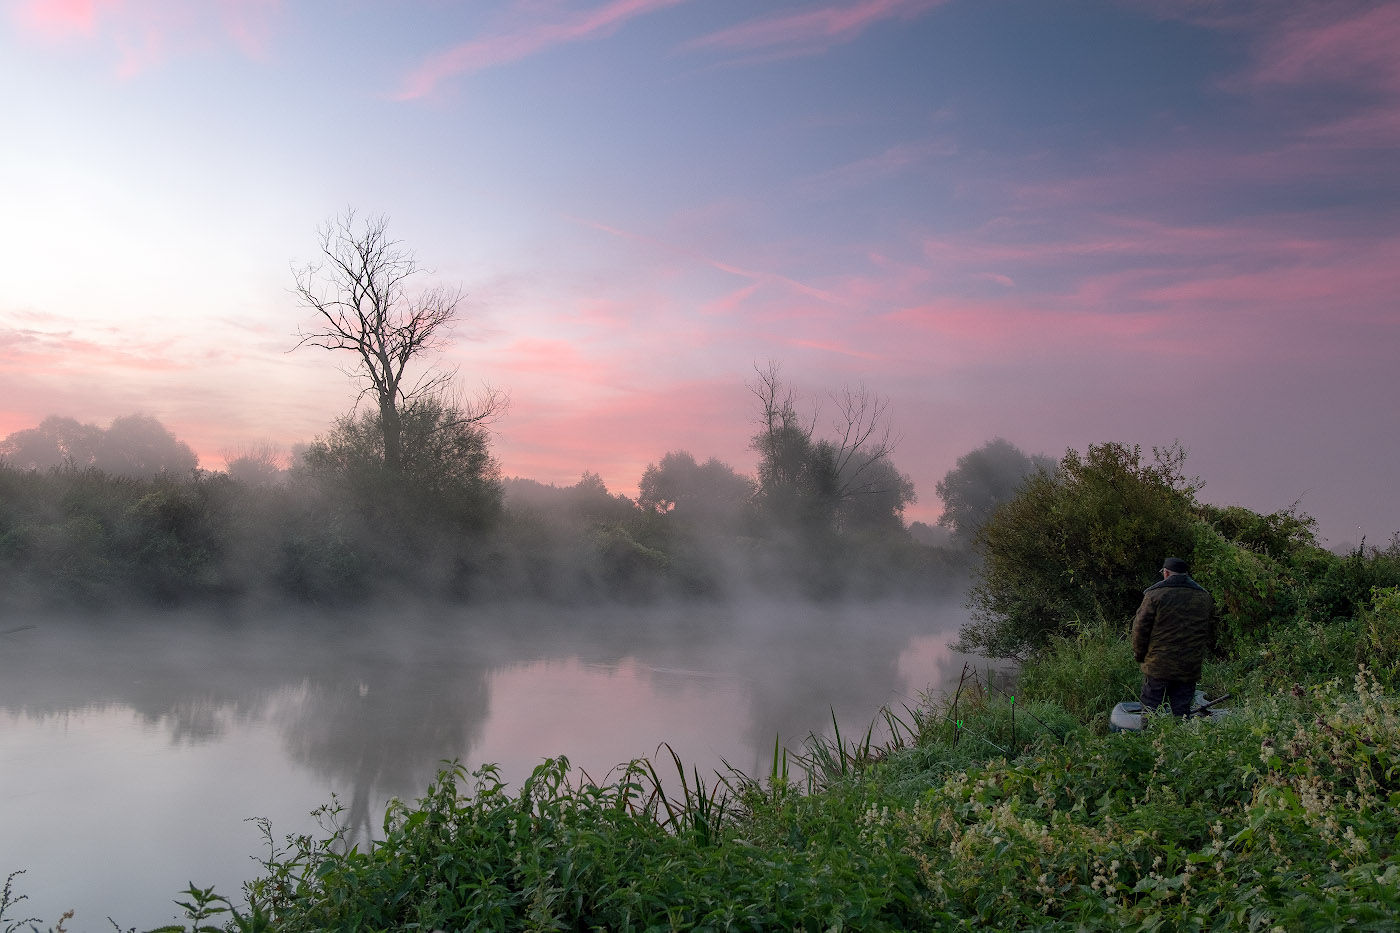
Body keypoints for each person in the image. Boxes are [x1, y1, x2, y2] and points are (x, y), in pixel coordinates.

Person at [1132, 557, 1214, 717]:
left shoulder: (1154, 595)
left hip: (1159, 665)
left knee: (1150, 709)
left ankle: (1150, 740)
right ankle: (1181, 740)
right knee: (1182, 712)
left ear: (1167, 573)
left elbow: (1140, 629)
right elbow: (1207, 631)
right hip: (1189, 666)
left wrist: (1140, 655)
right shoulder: (1203, 597)